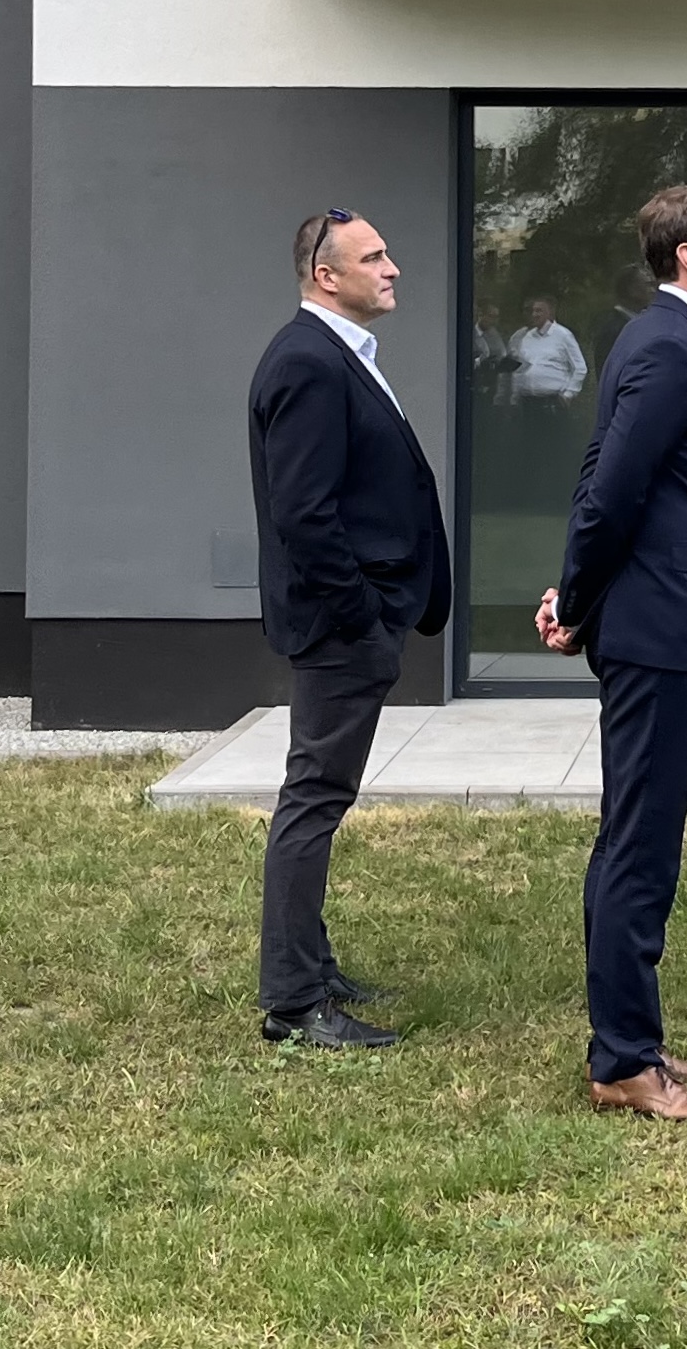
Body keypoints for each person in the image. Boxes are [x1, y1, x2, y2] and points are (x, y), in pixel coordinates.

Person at [534, 184, 687, 1122]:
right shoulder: (666, 345)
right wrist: (577, 598)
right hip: (661, 628)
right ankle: (624, 1059)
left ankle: (632, 1041)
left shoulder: (671, 338)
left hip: (668, 623)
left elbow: (608, 470)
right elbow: (610, 491)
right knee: (640, 843)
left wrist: (573, 594)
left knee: (635, 835)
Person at [245, 207, 451, 1051]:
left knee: (321, 792)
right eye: (374, 257)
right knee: (316, 795)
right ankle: (294, 1001)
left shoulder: (337, 354)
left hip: (352, 620)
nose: (392, 267)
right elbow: (304, 513)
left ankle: (312, 967)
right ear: (326, 276)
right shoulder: (309, 361)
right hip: (340, 626)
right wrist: (362, 615)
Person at [506, 296, 588, 406]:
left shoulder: (563, 335)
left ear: (549, 313)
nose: (534, 314)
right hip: (527, 401)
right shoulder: (527, 338)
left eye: (539, 311)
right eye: (533, 311)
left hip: (552, 402)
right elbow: (519, 368)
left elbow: (580, 367)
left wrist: (569, 394)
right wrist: (515, 396)